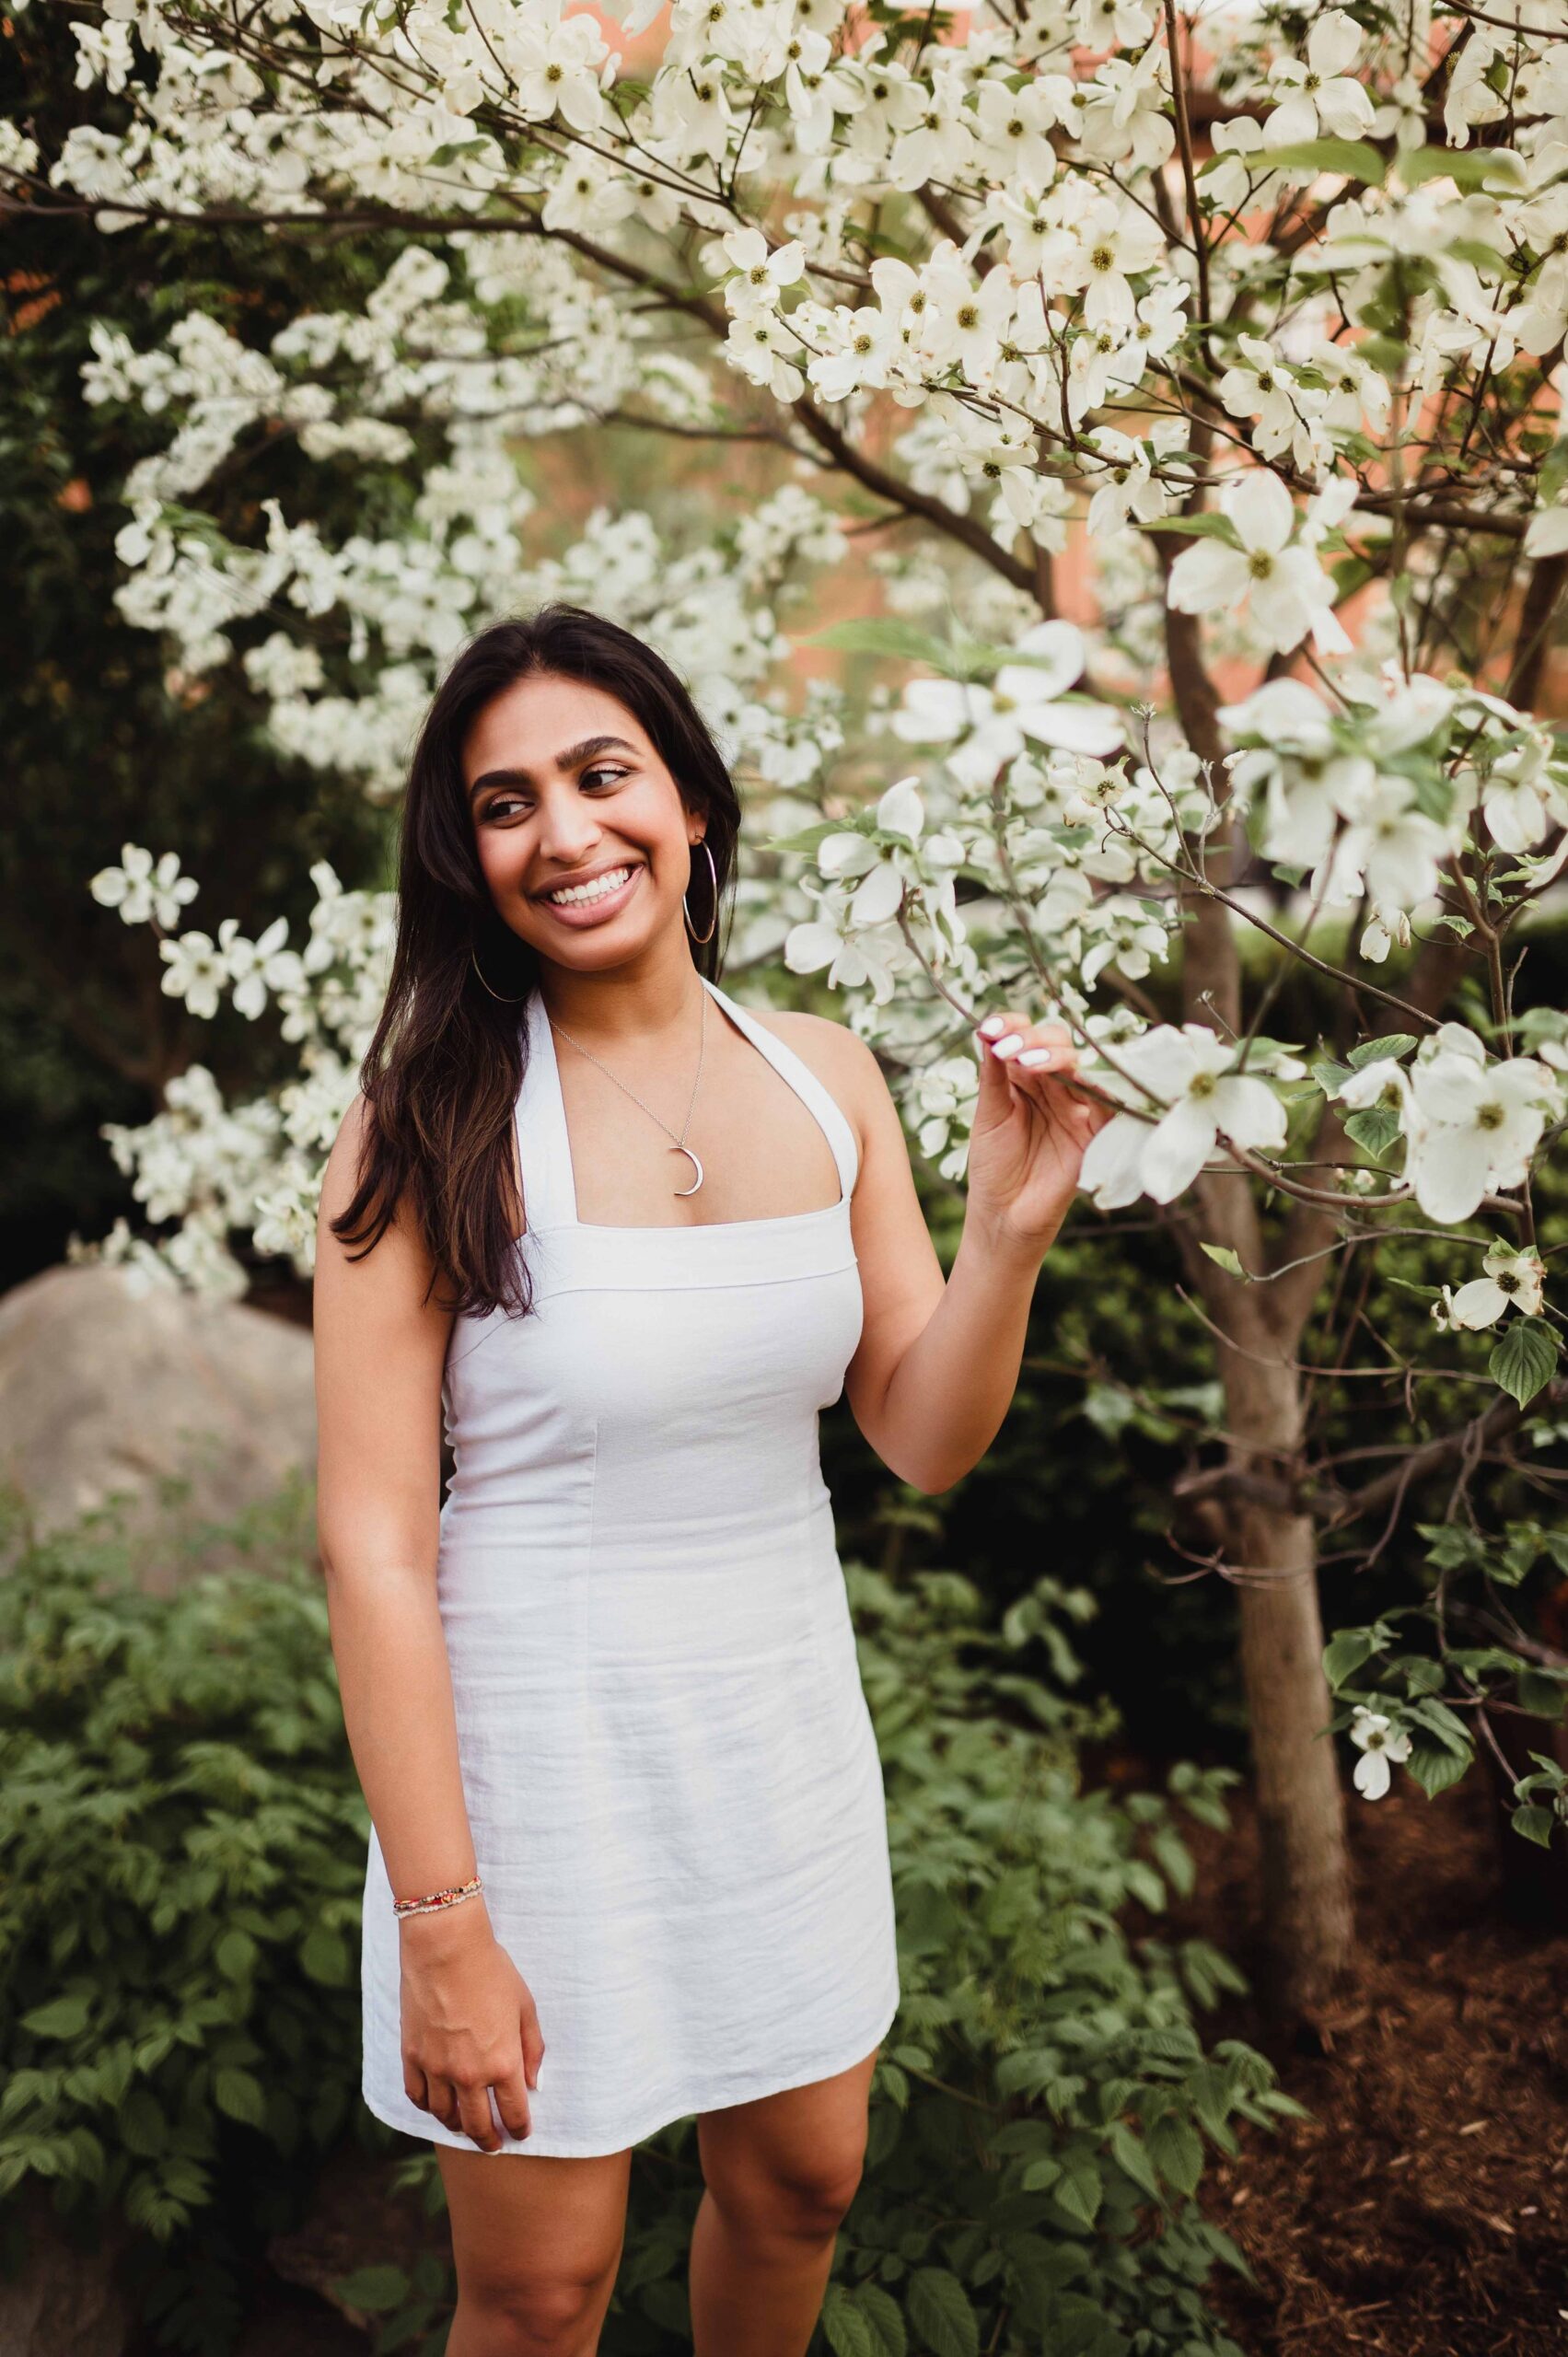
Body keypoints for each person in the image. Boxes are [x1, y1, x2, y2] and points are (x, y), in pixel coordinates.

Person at [312, 604, 1113, 2357]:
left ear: (686, 799)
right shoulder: (425, 1118)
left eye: (603, 776)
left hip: (778, 1740)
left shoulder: (823, 1080)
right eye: (508, 804)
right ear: (469, 858)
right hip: (529, 1779)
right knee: (540, 2289)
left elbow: (920, 1435)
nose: (567, 833)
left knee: (803, 2189)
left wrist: (1009, 1239)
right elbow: (369, 1547)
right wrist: (445, 1925)